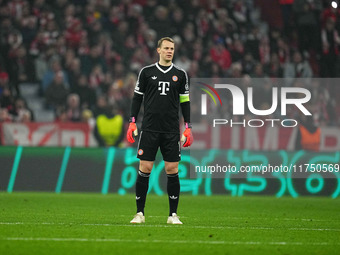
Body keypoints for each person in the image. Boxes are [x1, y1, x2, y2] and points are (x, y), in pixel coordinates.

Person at [126, 37, 193, 224]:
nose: (169, 51)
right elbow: (137, 99)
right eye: (166, 48)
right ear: (158, 50)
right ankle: (139, 213)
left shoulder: (180, 74)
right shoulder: (146, 72)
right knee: (145, 168)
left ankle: (173, 215)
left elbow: (185, 102)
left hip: (171, 130)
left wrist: (188, 127)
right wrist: (132, 122)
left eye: (172, 48)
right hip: (149, 128)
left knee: (172, 169)